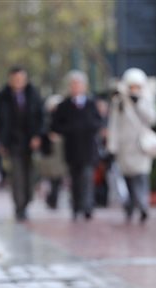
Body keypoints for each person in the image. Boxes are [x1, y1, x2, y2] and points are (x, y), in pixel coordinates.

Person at [107, 68, 156, 223]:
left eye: (137, 86)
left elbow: (153, 119)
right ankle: (130, 205)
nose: (134, 90)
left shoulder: (147, 99)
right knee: (128, 178)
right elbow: (114, 125)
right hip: (125, 146)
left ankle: (143, 205)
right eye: (132, 86)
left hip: (141, 145)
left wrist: (139, 104)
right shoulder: (119, 102)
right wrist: (112, 146)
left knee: (142, 176)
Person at [0, 66, 44, 221]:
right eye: (15, 79)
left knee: (30, 175)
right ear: (10, 79)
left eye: (21, 79)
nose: (18, 82)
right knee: (16, 176)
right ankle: (19, 207)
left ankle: (27, 201)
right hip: (12, 143)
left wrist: (37, 136)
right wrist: (1, 142)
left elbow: (41, 116)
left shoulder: (33, 94)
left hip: (30, 142)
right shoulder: (2, 96)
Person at [52, 70, 103, 220]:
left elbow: (98, 122)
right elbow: (56, 126)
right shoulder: (64, 106)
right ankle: (76, 206)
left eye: (79, 84)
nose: (76, 87)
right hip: (71, 149)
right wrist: (71, 129)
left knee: (87, 177)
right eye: (73, 84)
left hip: (88, 148)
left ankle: (87, 206)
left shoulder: (91, 104)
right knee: (74, 180)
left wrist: (87, 126)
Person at [38, 94, 66, 210]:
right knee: (51, 177)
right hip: (49, 151)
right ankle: (51, 197)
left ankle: (53, 198)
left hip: (60, 151)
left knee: (57, 177)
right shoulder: (45, 118)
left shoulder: (63, 118)